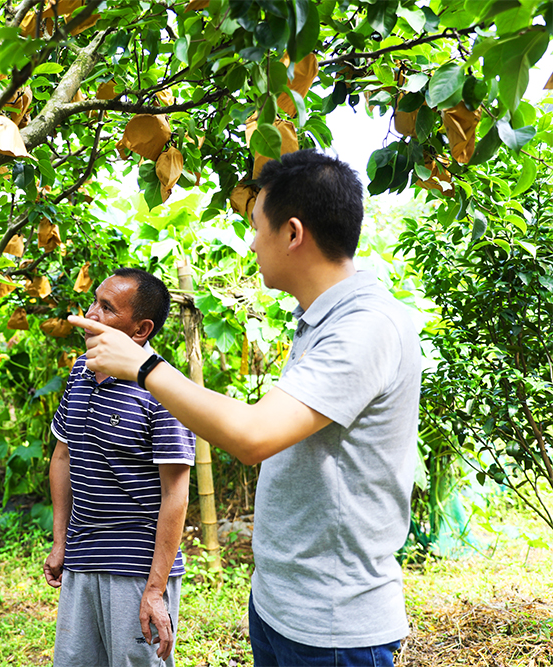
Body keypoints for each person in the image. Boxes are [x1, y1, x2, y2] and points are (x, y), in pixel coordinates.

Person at [69, 150, 422, 666]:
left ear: (292, 233)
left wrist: (144, 367)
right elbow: (259, 421)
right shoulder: (320, 321)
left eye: (256, 226)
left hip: (334, 625)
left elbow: (254, 437)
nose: (252, 241)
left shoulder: (365, 326)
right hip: (282, 608)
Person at [44, 268, 196, 667]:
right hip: (82, 557)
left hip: (136, 568)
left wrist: (155, 591)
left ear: (140, 329)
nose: (91, 314)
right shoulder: (81, 370)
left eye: (107, 309)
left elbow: (176, 494)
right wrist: (61, 541)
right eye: (95, 301)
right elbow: (63, 457)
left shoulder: (163, 389)